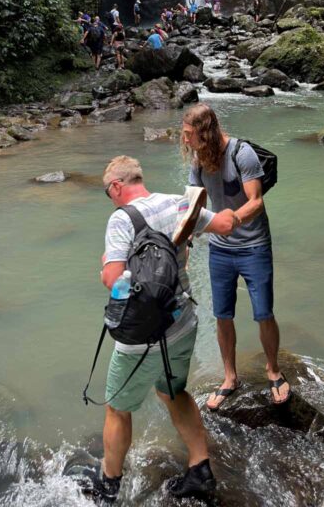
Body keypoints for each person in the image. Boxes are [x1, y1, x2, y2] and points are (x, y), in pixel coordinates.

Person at [77, 156, 237, 503]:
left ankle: (108, 485)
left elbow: (113, 281)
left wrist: (105, 263)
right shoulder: (179, 204)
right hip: (182, 324)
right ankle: (200, 470)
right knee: (172, 391)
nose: (111, 199)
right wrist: (241, 206)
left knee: (118, 409)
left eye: (109, 193)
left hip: (142, 337)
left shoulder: (122, 219)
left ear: (117, 186)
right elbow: (225, 225)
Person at [181, 103, 289, 409]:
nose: (186, 141)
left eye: (190, 135)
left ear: (206, 132)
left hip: (254, 245)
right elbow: (194, 207)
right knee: (222, 315)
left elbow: (255, 202)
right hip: (221, 250)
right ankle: (230, 377)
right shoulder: (199, 161)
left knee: (263, 312)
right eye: (185, 135)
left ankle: (274, 370)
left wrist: (233, 220)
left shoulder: (241, 153)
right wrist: (185, 243)